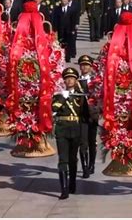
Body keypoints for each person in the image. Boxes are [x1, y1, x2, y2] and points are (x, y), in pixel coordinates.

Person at [52, 67, 90, 200]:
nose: (69, 80)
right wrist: (63, 97)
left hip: (75, 128)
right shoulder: (59, 95)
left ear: (76, 80)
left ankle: (72, 183)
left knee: (73, 159)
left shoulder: (81, 96)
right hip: (62, 129)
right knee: (63, 160)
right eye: (67, 78)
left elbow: (86, 114)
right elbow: (54, 108)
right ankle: (64, 189)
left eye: (72, 78)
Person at [77, 55, 98, 175]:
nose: (84, 67)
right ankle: (85, 167)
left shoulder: (96, 80)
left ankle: (92, 164)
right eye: (82, 65)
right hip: (81, 115)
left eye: (87, 65)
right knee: (82, 142)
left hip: (92, 115)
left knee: (92, 142)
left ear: (91, 66)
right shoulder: (76, 81)